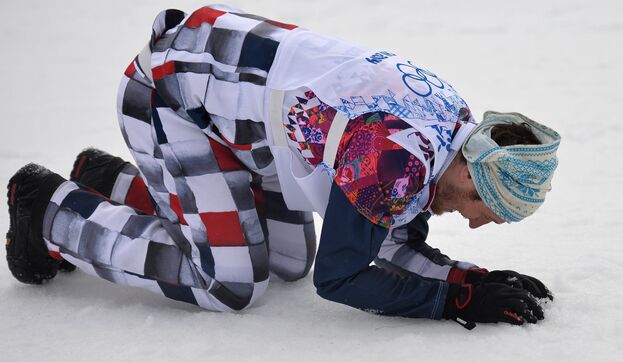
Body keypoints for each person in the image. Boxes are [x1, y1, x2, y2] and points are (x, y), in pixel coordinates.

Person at [5, 5, 561, 329]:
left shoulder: (449, 126)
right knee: (230, 284)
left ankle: (114, 184)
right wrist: (450, 301)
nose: (476, 223)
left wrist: (467, 279)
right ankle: (52, 212)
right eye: (486, 210)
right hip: (167, 97)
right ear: (471, 172)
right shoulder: (395, 161)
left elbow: (383, 239)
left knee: (289, 259)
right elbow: (343, 278)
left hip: (231, 116)